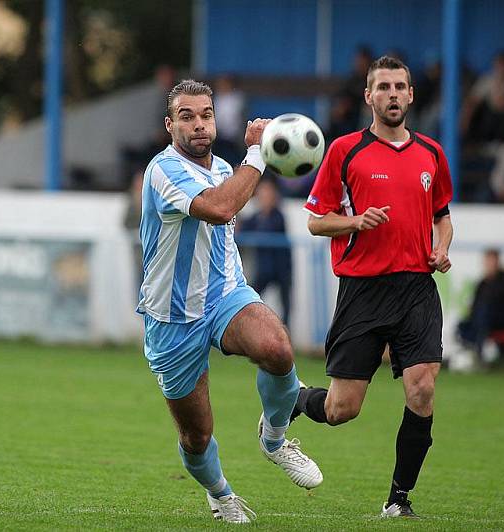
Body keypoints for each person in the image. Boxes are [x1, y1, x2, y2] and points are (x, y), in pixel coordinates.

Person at [137, 79, 322, 523]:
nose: (198, 124)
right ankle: (220, 494)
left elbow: (229, 202)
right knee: (196, 436)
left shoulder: (224, 167)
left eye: (205, 115)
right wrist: (259, 154)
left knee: (276, 347)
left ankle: (275, 439)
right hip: (173, 316)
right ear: (169, 125)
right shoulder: (163, 170)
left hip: (224, 294)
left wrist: (254, 159)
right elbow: (220, 208)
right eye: (186, 117)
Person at [295, 56, 454, 518]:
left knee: (422, 389)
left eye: (400, 86)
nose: (392, 94)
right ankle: (296, 400)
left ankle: (398, 500)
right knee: (343, 409)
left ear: (410, 95)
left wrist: (441, 247)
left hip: (416, 288)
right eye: (382, 86)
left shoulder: (432, 153)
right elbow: (314, 221)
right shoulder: (345, 151)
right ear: (368, 96)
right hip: (363, 291)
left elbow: (442, 217)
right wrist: (355, 221)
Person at [457, 248, 504, 361]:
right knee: (462, 325)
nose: (488, 264)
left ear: (497, 262)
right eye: (487, 261)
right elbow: (475, 305)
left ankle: (479, 354)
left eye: (491, 261)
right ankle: (470, 353)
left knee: (485, 314)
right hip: (485, 320)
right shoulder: (482, 283)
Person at [239, 178, 292, 327]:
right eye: (262, 193)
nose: (265, 196)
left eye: (268, 193)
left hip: (282, 268)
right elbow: (242, 229)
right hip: (264, 268)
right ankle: (249, 329)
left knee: (285, 304)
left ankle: (285, 333)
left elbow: (268, 230)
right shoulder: (256, 217)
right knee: (250, 298)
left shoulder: (278, 216)